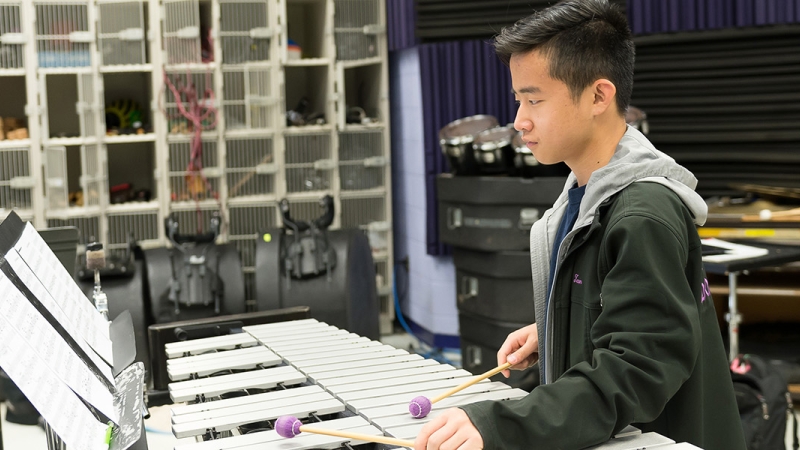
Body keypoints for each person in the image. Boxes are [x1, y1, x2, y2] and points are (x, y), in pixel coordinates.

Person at [414, 1, 747, 449]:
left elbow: (636, 371)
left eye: (535, 99)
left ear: (598, 96)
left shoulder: (642, 213)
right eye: (518, 100)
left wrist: (498, 425)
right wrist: (560, 329)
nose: (519, 121)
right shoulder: (582, 196)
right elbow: (630, 317)